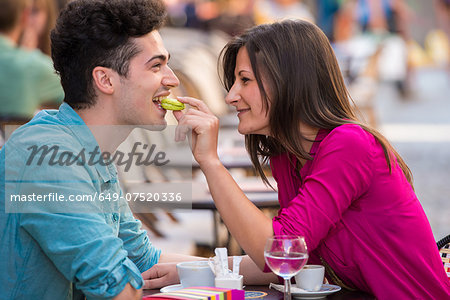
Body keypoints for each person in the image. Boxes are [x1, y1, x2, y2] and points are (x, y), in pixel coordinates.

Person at [0, 0, 276, 299]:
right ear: (105, 79)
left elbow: (145, 260)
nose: (172, 80)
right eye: (156, 66)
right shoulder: (45, 157)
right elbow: (120, 289)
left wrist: (248, 269)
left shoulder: (90, 151)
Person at [160, 20, 450, 298]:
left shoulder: (350, 145)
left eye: (244, 80)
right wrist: (192, 270)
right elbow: (290, 261)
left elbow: (276, 250)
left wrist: (211, 162)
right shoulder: (287, 157)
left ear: (288, 83)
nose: (231, 96)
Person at [0, 0, 64, 122]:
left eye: (36, 11)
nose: (31, 21)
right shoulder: (33, 65)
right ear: (24, 16)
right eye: (31, 11)